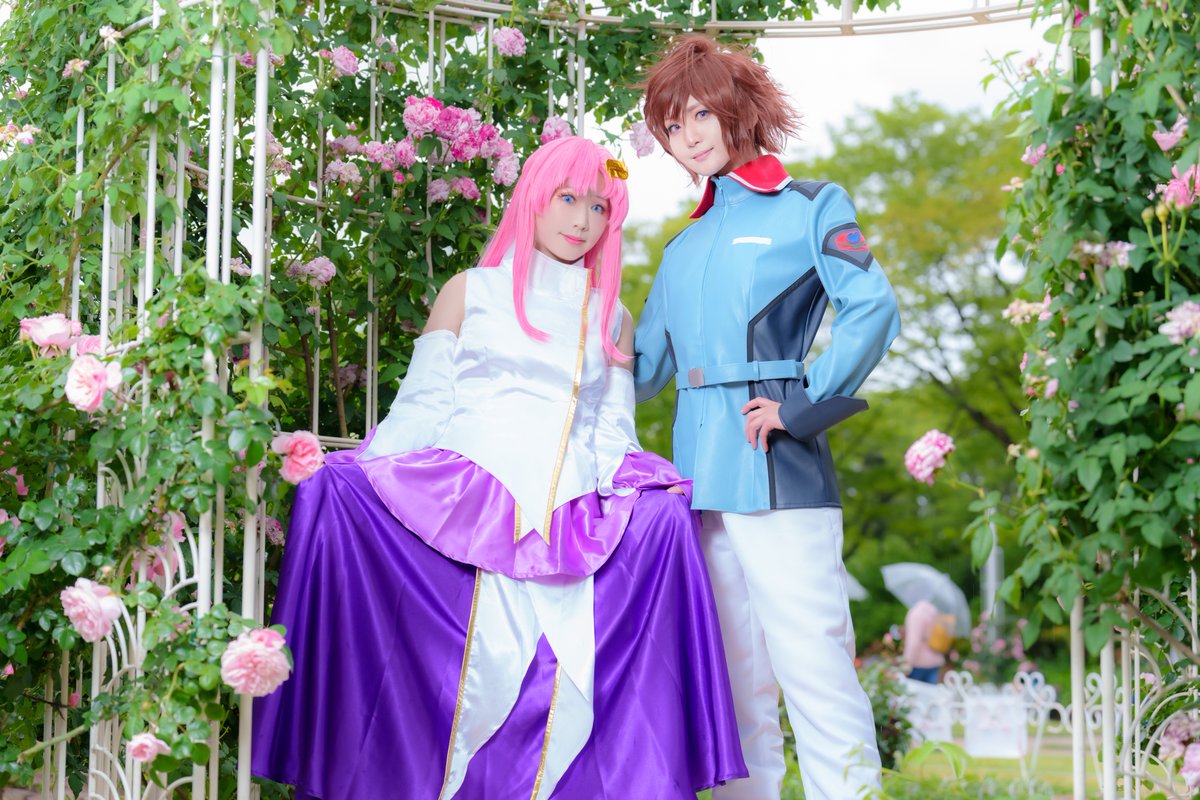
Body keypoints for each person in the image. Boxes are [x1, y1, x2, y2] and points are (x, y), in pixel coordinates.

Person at [251, 136, 747, 799]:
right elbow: (424, 404)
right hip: (466, 493)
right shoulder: (470, 290)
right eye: (568, 199)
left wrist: (635, 490)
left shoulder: (612, 317)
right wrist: (362, 469)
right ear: (534, 198)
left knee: (665, 519)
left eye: (599, 207)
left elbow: (611, 430)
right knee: (336, 493)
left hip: (568, 508)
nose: (581, 220)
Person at [635, 35, 902, 800]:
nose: (688, 137)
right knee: (731, 687)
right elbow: (640, 369)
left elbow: (872, 308)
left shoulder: (811, 206)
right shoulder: (682, 247)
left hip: (779, 469)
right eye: (672, 126)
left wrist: (803, 404)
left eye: (699, 114)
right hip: (697, 486)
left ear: (738, 108)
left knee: (815, 670)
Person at [903, 600, 946, 685]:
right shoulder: (935, 613)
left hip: (919, 664)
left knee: (915, 692)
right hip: (936, 661)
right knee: (931, 692)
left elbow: (913, 642)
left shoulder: (916, 613)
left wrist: (905, 666)